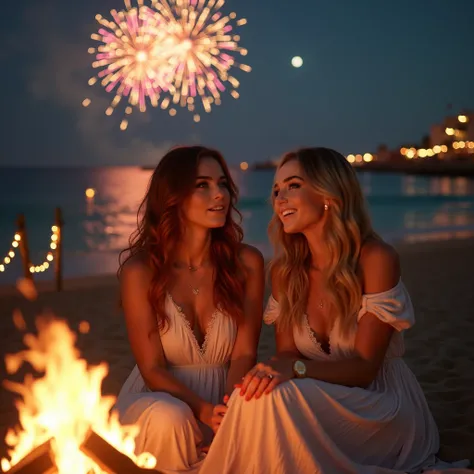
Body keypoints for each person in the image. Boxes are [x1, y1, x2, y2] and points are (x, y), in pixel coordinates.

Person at [200, 147, 471, 474]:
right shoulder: (286, 271)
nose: (279, 198)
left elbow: (365, 369)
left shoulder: (375, 259)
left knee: (277, 397)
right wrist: (260, 380)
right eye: (275, 190)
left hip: (380, 403)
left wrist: (294, 369)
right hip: (320, 395)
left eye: (293, 185)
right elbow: (287, 355)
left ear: (329, 193)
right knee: (254, 393)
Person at [114, 146, 264, 473]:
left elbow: (243, 354)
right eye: (203, 185)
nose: (219, 195)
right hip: (160, 397)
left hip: (229, 393)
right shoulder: (140, 272)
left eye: (223, 184)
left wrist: (226, 414)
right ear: (173, 196)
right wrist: (202, 410)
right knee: (172, 418)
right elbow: (152, 368)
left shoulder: (247, 263)